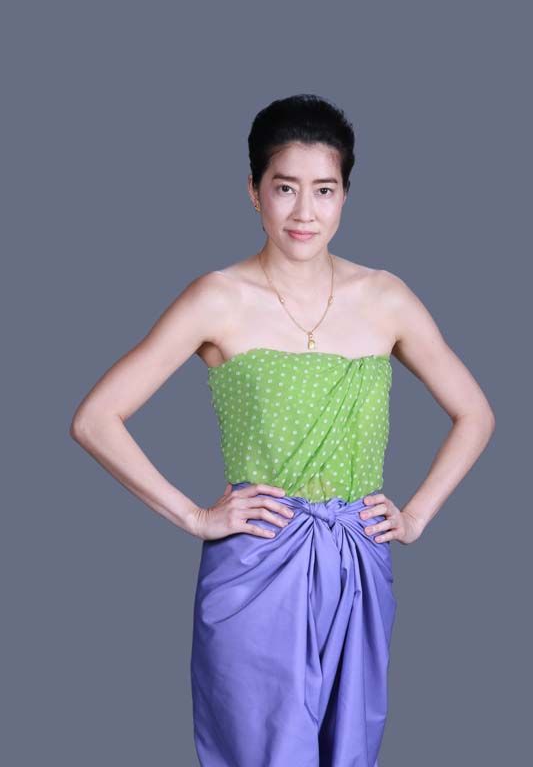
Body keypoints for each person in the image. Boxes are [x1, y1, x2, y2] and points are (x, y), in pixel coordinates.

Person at [70, 94, 496, 767]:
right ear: (254, 191)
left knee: (348, 754)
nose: (304, 212)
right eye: (284, 187)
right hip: (256, 567)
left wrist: (414, 516)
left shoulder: (385, 297)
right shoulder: (217, 297)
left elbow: (476, 413)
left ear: (345, 194)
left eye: (324, 189)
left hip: (357, 561)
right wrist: (194, 516)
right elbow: (95, 418)